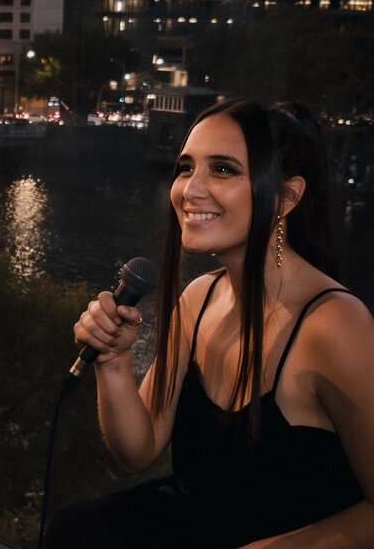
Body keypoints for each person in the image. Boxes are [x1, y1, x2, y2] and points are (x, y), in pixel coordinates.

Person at [45, 99, 374, 548]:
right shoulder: (198, 299)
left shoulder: (335, 325)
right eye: (186, 167)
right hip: (193, 524)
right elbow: (136, 451)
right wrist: (115, 361)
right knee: (76, 529)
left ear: (285, 197)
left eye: (222, 170)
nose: (189, 190)